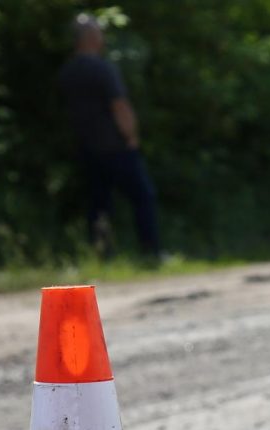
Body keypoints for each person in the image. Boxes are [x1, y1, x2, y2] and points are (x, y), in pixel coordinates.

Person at [57, 14, 162, 258]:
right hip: (116, 146)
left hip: (85, 147)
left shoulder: (67, 72)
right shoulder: (103, 69)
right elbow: (119, 106)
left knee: (99, 205)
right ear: (92, 38)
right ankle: (152, 251)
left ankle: (102, 254)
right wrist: (131, 136)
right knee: (143, 196)